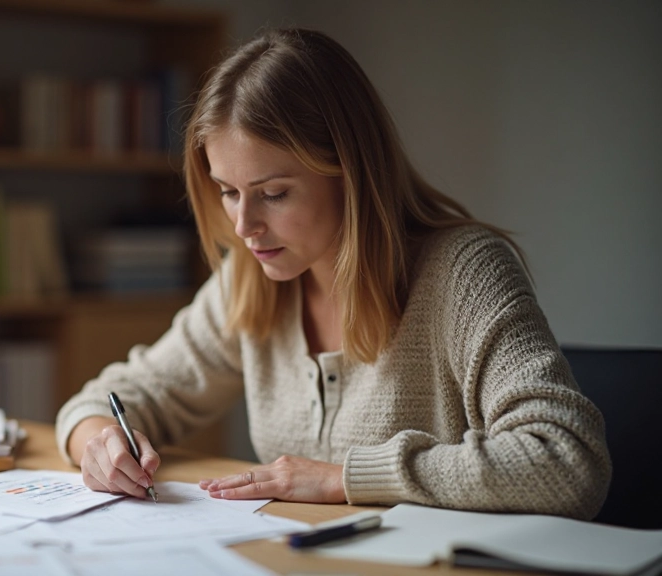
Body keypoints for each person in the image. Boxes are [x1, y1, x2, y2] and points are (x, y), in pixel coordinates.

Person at [54, 28, 611, 520]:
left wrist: (346, 478)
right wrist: (99, 441)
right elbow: (115, 396)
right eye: (228, 191)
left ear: (351, 173)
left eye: (274, 193)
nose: (244, 226)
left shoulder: (464, 272)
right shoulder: (249, 281)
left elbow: (566, 460)